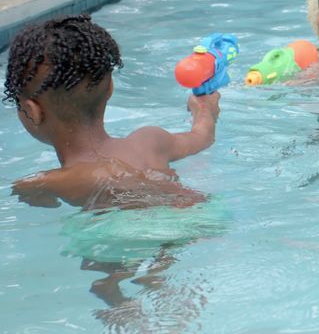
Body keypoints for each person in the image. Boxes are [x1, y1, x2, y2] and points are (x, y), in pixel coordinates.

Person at [3, 14, 220, 210]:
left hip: (135, 232)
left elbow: (32, 197)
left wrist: (25, 190)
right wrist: (204, 107)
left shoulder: (53, 182)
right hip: (199, 211)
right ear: (110, 88)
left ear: (32, 111)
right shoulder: (151, 140)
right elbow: (204, 136)